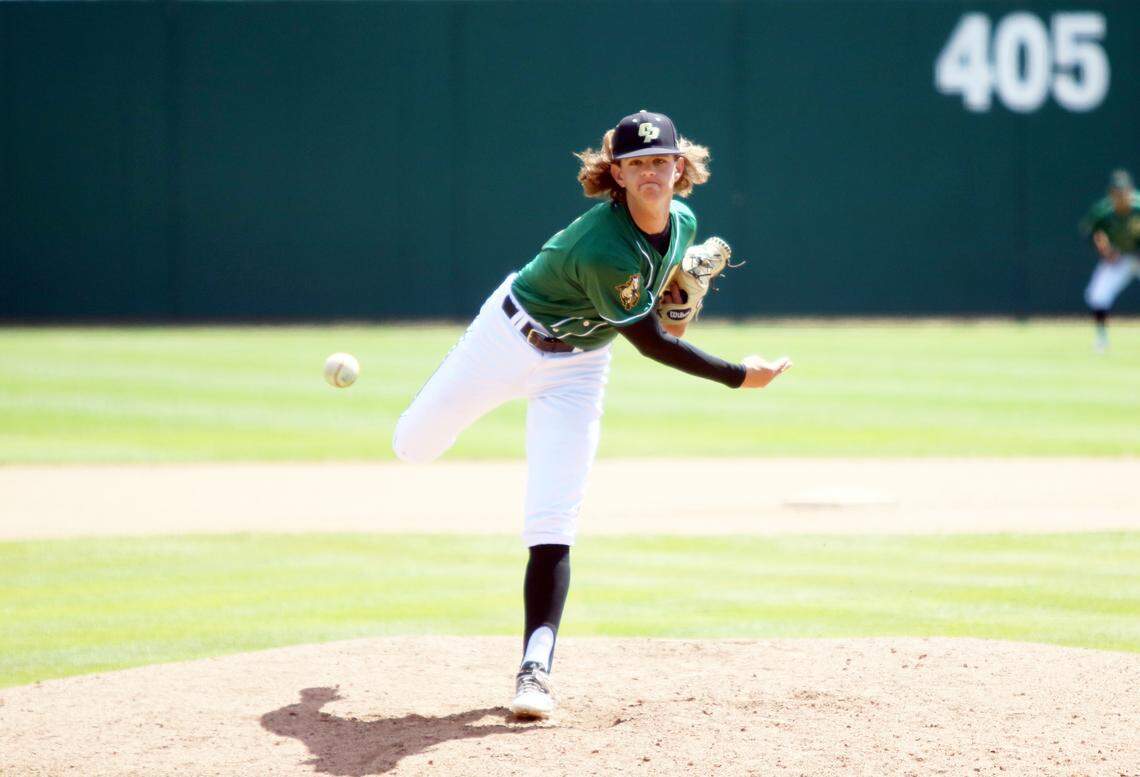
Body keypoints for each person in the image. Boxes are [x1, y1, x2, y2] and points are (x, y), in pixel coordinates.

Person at [391, 110, 791, 719]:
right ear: (619, 175)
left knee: (554, 515)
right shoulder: (603, 245)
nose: (652, 171)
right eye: (638, 164)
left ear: (680, 166)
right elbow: (655, 343)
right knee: (412, 446)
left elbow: (664, 318)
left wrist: (681, 298)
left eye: (662, 159)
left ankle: (534, 672)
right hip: (505, 339)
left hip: (578, 366)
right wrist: (739, 375)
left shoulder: (682, 223)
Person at [1080, 169, 1140, 352]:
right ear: (1111, 193)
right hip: (1119, 258)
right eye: (1117, 191)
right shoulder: (1104, 211)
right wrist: (1105, 250)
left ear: (1130, 190)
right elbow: (1091, 232)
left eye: (1124, 191)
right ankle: (1102, 338)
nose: (1121, 195)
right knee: (1097, 295)